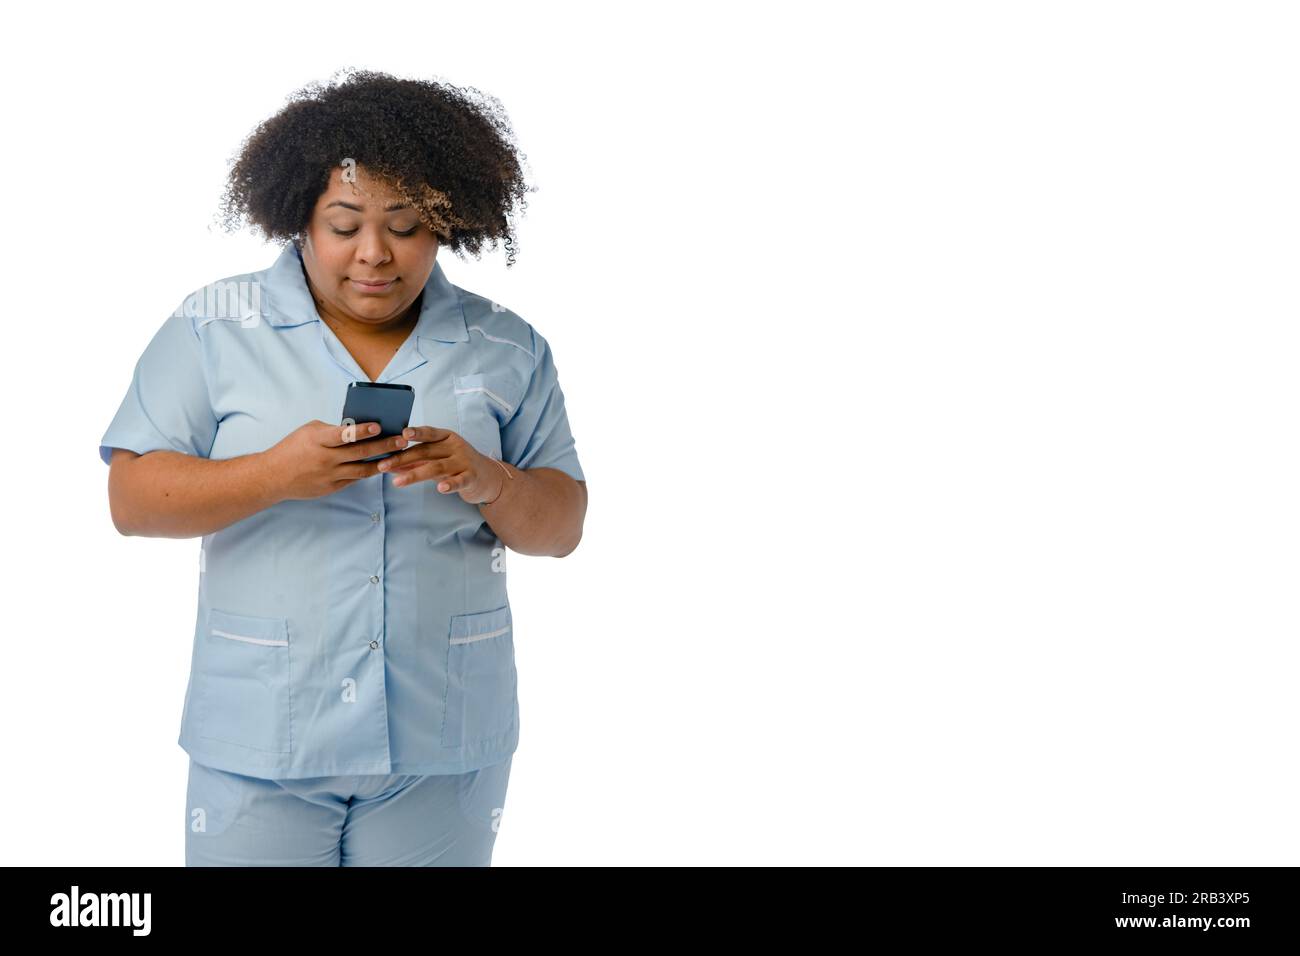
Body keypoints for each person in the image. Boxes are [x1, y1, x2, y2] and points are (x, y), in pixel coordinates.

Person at [98, 70, 588, 866]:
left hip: (442, 739)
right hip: (263, 739)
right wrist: (272, 474)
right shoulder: (213, 328)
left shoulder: (508, 346)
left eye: (405, 225)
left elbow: (563, 527)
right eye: (344, 223)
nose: (374, 254)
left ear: (447, 224)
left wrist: (486, 478)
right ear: (298, 220)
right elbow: (129, 500)